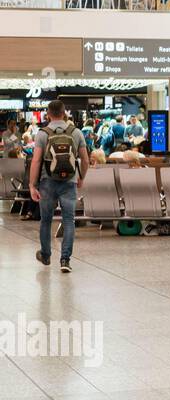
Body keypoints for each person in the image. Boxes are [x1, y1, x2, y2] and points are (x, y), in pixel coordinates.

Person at [29, 100, 91, 273]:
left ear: (48, 114)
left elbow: (36, 161)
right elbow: (85, 160)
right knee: (68, 221)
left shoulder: (43, 134)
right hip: (69, 182)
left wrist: (32, 185)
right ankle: (65, 260)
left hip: (47, 182)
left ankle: (46, 255)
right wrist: (81, 177)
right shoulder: (76, 133)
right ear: (65, 113)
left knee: (46, 220)